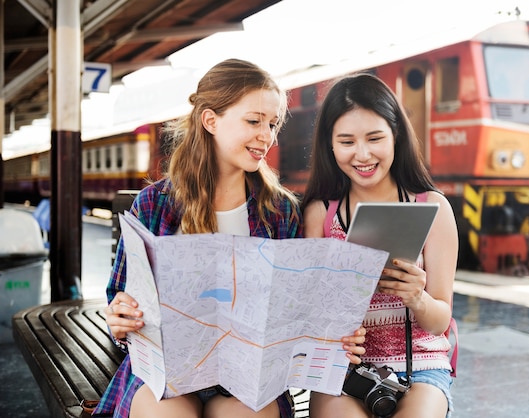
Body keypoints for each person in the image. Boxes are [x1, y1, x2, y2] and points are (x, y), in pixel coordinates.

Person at [92, 58, 366, 418]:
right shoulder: (155, 203)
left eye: (273, 124)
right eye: (253, 121)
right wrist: (121, 318)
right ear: (210, 120)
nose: (266, 135)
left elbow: (302, 308)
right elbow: (121, 296)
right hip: (169, 374)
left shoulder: (280, 210)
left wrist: (334, 335)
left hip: (249, 380)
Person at [301, 73, 458, 418]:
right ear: (329, 144)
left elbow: (440, 321)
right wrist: (332, 330)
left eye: (375, 138)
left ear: (396, 136)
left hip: (422, 367)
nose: (362, 154)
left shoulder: (432, 208)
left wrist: (417, 297)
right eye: (346, 142)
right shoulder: (320, 215)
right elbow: (308, 313)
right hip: (343, 370)